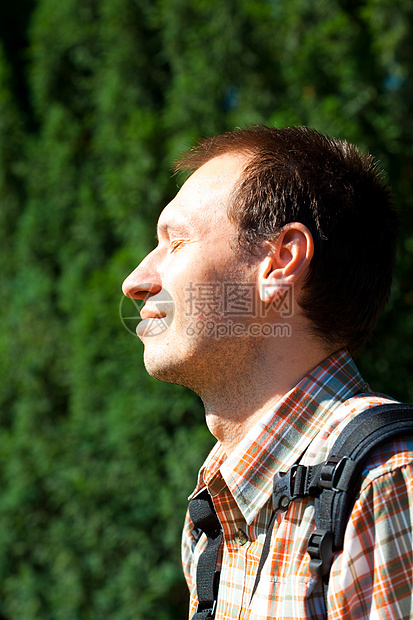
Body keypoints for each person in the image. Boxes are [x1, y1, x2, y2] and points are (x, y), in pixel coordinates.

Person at [122, 126, 413, 619]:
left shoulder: (384, 481)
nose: (135, 282)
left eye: (175, 242)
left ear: (280, 260)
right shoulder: (213, 515)